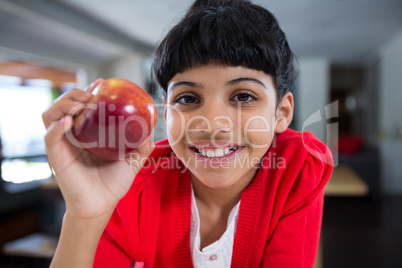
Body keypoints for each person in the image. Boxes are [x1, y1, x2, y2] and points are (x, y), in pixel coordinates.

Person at [42, 0, 333, 267]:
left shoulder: (299, 167)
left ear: (281, 113)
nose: (212, 125)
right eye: (188, 99)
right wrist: (85, 214)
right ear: (167, 113)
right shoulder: (132, 180)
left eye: (243, 96)